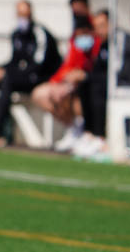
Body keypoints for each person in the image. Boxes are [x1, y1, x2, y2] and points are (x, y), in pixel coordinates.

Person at [0, 0, 60, 149]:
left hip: (41, 77)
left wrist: (5, 72)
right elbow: (14, 61)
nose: (22, 18)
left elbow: (38, 64)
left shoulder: (40, 33)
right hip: (22, 75)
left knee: (7, 79)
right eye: (19, 14)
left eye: (24, 14)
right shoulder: (16, 34)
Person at [31, 13, 98, 150]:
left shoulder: (97, 45)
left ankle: (81, 130)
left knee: (67, 96)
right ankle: (72, 128)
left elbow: (94, 71)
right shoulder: (75, 44)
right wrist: (57, 81)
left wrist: (82, 75)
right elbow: (68, 66)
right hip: (70, 82)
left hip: (86, 84)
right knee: (40, 94)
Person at [72, 9, 112, 159]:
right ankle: (88, 133)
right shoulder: (100, 46)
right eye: (96, 27)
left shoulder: (118, 43)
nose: (99, 31)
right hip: (99, 83)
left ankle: (100, 137)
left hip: (117, 86)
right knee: (85, 86)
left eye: (102, 25)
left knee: (96, 88)